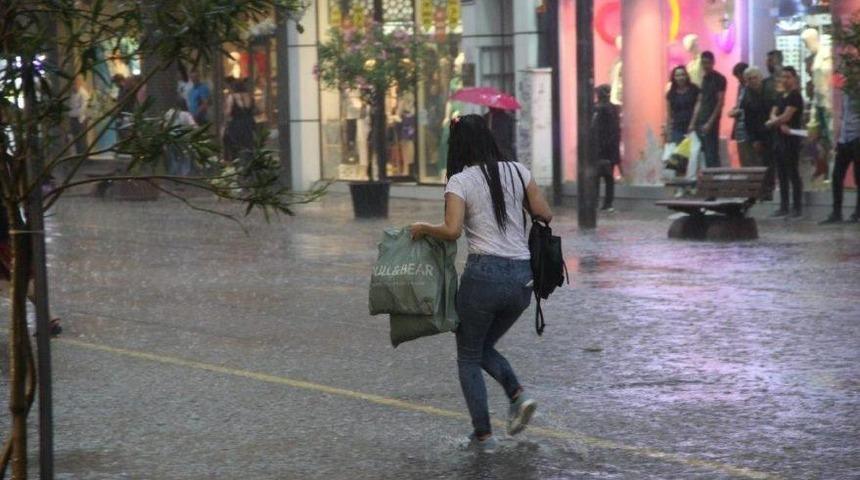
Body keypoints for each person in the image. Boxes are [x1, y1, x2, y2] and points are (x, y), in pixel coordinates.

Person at [409, 114, 552, 452]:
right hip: (522, 280)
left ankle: (483, 434)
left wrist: (422, 228)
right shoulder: (519, 171)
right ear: (488, 139)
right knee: (482, 347)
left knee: (468, 356)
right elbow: (545, 214)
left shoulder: (460, 181)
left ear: (458, 146)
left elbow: (452, 231)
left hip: (483, 278)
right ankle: (518, 396)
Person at [766, 67, 804, 218]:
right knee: (781, 173)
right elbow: (773, 112)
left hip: (791, 139)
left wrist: (773, 122)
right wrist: (776, 121)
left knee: (792, 172)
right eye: (783, 77)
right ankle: (784, 206)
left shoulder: (795, 96)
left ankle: (797, 207)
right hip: (779, 138)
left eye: (788, 77)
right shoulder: (780, 95)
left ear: (794, 78)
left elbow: (787, 117)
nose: (785, 80)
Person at [820, 93, 860, 224]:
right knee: (837, 176)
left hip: (857, 137)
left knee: (858, 177)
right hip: (845, 139)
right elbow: (843, 116)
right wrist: (838, 138)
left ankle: (857, 213)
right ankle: (836, 213)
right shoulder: (845, 93)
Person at [689, 51, 727, 169]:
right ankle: (707, 182)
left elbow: (720, 102)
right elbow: (699, 101)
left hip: (710, 121)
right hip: (700, 119)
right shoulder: (703, 78)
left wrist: (710, 122)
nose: (706, 66)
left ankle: (716, 183)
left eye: (708, 63)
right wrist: (693, 122)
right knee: (702, 153)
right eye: (703, 63)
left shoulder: (719, 79)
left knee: (712, 153)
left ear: (713, 62)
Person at [593, 84, 620, 211]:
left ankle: (602, 203)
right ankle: (607, 203)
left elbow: (609, 130)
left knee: (600, 177)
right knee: (607, 177)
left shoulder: (600, 108)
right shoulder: (611, 108)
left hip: (602, 148)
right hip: (608, 148)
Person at [738, 66, 771, 167]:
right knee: (762, 164)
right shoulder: (747, 96)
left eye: (755, 77)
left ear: (760, 77)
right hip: (758, 134)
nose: (753, 81)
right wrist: (754, 140)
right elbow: (748, 121)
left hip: (773, 132)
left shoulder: (769, 90)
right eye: (749, 79)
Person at [223, 78, 256, 165]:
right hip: (248, 125)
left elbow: (228, 112)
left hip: (236, 125)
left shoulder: (232, 97)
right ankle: (249, 167)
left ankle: (235, 165)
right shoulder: (249, 96)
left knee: (234, 147)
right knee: (248, 147)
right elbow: (256, 109)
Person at [666, 66, 700, 145]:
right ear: (674, 77)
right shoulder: (671, 94)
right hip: (677, 128)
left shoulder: (694, 89)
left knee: (693, 154)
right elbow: (669, 115)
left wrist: (692, 124)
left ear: (686, 76)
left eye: (682, 74)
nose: (680, 77)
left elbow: (698, 107)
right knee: (678, 154)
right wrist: (668, 133)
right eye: (677, 75)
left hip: (693, 127)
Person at [729, 62, 754, 166]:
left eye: (739, 76)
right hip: (739, 128)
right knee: (743, 159)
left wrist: (739, 111)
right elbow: (739, 104)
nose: (738, 79)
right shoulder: (741, 87)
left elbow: (752, 107)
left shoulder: (751, 87)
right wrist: (734, 110)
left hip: (748, 128)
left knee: (750, 159)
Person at [164, 100, 197, 176]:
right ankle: (182, 175)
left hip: (170, 138)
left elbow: (164, 125)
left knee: (172, 158)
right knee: (184, 158)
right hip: (182, 139)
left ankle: (173, 176)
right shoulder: (186, 114)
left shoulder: (169, 113)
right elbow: (193, 126)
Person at [68, 76, 90, 157]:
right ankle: (78, 155)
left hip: (81, 119)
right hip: (73, 118)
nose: (73, 86)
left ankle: (84, 156)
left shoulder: (83, 93)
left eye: (75, 83)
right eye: (72, 84)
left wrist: (74, 113)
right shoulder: (72, 93)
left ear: (79, 83)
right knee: (76, 138)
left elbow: (83, 108)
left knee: (82, 139)